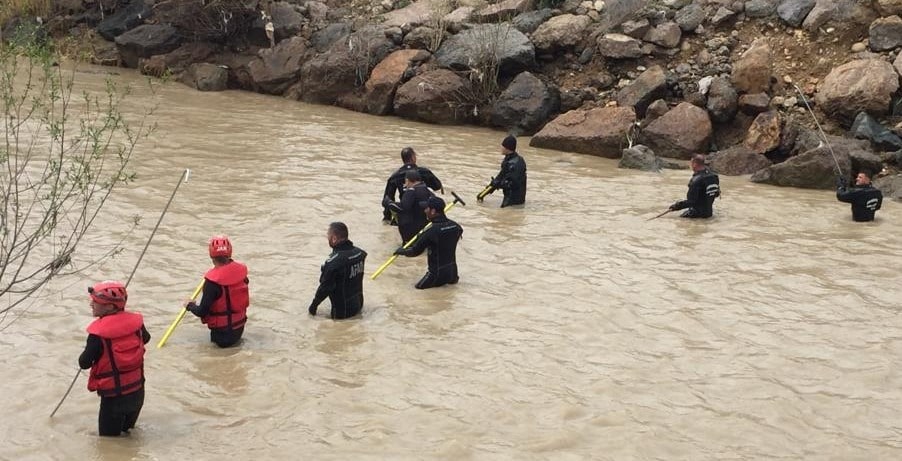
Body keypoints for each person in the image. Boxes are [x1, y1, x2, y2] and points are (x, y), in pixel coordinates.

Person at [79, 280, 150, 437]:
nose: (91, 304)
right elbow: (146, 338)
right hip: (137, 392)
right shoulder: (137, 323)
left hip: (113, 399)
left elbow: (84, 363)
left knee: (108, 443)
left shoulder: (97, 334)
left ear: (110, 307)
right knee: (128, 435)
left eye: (95, 302)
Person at [186, 235, 250, 348]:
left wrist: (190, 305)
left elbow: (202, 311)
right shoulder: (242, 274)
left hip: (221, 335)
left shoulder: (211, 283)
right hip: (238, 329)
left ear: (211, 255)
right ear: (230, 252)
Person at [394, 196, 463, 289]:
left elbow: (415, 252)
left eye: (427, 208)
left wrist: (401, 251)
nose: (425, 211)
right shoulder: (456, 226)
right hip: (452, 273)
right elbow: (457, 234)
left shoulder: (430, 231)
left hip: (435, 275)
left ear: (433, 211)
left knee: (416, 290)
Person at [309, 222, 367, 319]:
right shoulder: (359, 253)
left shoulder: (334, 262)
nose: (327, 238)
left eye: (328, 236)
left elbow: (325, 288)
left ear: (334, 238)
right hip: (358, 305)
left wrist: (313, 307)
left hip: (342, 314)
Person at [382, 147, 443, 223]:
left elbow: (388, 198)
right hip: (424, 212)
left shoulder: (394, 176)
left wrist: (387, 218)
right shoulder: (424, 172)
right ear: (413, 157)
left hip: (406, 210)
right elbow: (437, 187)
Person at [385, 170, 435, 242]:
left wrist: (389, 202)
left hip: (411, 230)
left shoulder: (411, 191)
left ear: (407, 180)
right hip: (425, 227)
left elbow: (403, 207)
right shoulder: (427, 190)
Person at [478, 135, 527, 207]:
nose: (501, 148)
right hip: (509, 196)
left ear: (507, 148)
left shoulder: (515, 164)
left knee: (504, 213)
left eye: (502, 146)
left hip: (515, 200)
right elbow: (499, 177)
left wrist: (498, 184)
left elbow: (510, 183)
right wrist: (484, 193)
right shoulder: (508, 160)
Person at [668, 154, 720, 218]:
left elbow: (691, 202)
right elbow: (716, 193)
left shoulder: (696, 180)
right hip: (709, 214)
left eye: (691, 163)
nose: (690, 165)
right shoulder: (714, 176)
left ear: (694, 164)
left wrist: (676, 206)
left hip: (696, 215)